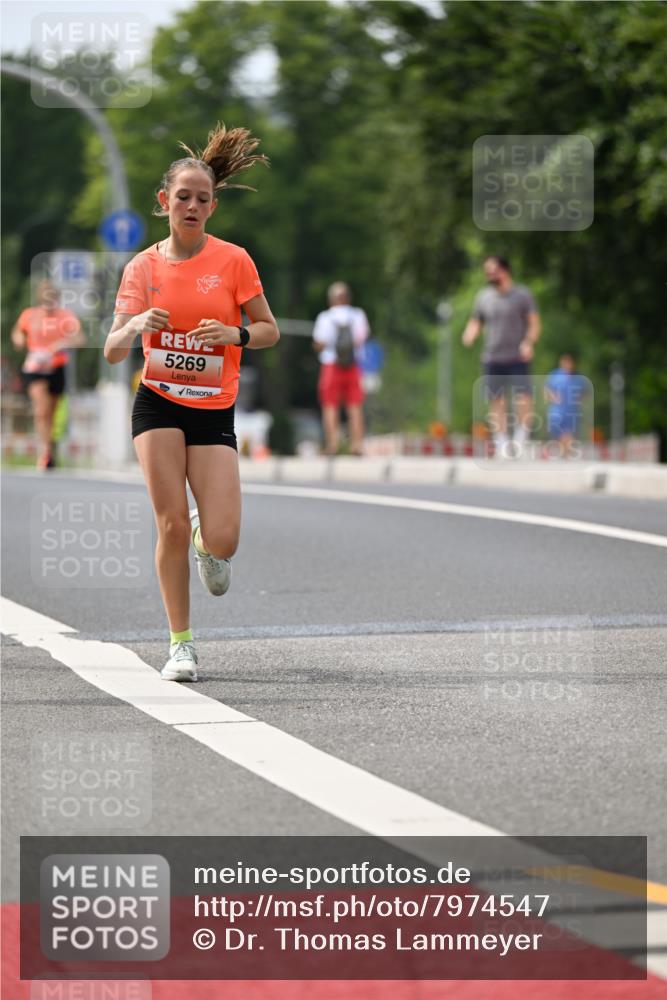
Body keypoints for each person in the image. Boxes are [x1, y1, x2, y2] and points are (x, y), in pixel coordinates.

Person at [104, 123, 280, 683]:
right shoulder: (143, 268)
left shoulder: (233, 262)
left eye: (203, 199)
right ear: (165, 202)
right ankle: (181, 645)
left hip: (212, 408)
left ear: (213, 206)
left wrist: (237, 337)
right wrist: (133, 324)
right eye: (183, 197)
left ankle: (211, 542)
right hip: (156, 403)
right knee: (170, 525)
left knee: (222, 537)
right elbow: (111, 352)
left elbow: (270, 329)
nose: (193, 206)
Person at [462, 255, 540, 457]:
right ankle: (501, 441)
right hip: (492, 356)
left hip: (517, 355)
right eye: (487, 271)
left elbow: (534, 323)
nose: (488, 274)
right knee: (496, 400)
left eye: (492, 270)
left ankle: (522, 438)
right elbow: (476, 320)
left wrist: (529, 342)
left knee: (523, 397)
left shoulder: (522, 295)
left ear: (505, 271)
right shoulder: (484, 297)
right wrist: (470, 333)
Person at [10, 279, 84, 469]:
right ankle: (44, 452)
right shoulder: (30, 315)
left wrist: (61, 344)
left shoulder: (65, 316)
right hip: (35, 367)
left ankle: (50, 448)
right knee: (41, 408)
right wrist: (20, 341)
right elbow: (18, 333)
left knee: (50, 412)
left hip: (56, 366)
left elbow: (79, 338)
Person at [312, 281, 369, 456]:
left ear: (331, 300)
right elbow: (362, 338)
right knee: (355, 405)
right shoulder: (358, 315)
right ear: (348, 298)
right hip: (353, 365)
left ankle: (333, 445)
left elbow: (319, 344)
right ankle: (357, 445)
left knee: (330, 405)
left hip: (331, 364)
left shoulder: (325, 317)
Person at [545, 353, 589, 458]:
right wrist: (553, 398)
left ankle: (566, 454)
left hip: (572, 410)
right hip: (557, 410)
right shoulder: (555, 375)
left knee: (568, 433)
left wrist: (579, 400)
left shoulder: (578, 378)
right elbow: (547, 389)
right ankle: (564, 452)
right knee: (558, 433)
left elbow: (585, 392)